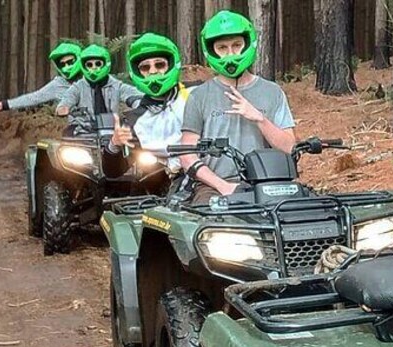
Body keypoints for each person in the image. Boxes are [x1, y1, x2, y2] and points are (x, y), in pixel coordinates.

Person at [179, 10, 296, 204]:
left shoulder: (272, 91)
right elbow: (186, 154)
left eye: (236, 45)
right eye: (222, 47)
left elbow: (289, 148)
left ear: (247, 44)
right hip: (213, 186)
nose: (230, 53)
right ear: (211, 50)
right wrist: (222, 185)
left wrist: (259, 118)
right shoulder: (199, 96)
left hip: (269, 183)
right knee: (209, 225)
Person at [103, 33, 193, 181]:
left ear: (171, 64)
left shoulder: (196, 92)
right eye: (145, 67)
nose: (153, 71)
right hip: (171, 182)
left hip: (217, 171)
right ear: (137, 73)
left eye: (159, 64)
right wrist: (114, 144)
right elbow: (113, 172)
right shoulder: (134, 120)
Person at [56, 44, 141, 136]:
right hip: (83, 132)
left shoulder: (117, 86)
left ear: (106, 63)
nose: (94, 67)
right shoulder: (77, 87)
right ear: (84, 66)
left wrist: (138, 103)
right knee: (66, 141)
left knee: (135, 142)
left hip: (112, 132)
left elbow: (133, 94)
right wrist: (63, 108)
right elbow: (67, 99)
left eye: (98, 64)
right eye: (89, 64)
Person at [0, 41, 82, 114]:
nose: (66, 67)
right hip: (70, 130)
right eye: (62, 64)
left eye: (70, 62)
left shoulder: (89, 81)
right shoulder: (58, 84)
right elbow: (34, 97)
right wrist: (3, 105)